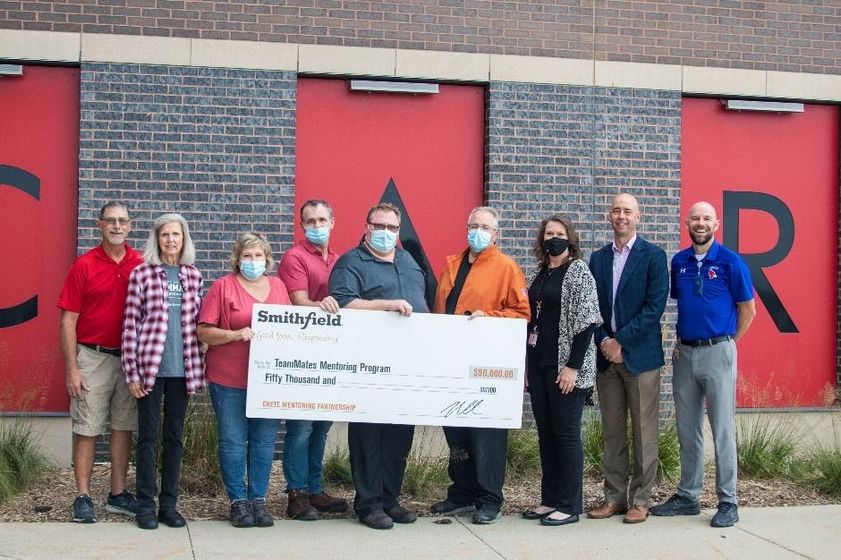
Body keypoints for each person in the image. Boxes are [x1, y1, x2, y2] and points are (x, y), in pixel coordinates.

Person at [651, 201, 755, 528]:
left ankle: (728, 501)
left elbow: (747, 309)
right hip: (685, 353)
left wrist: (728, 344)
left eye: (706, 218)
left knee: (722, 428)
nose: (700, 223)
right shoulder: (679, 261)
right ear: (686, 223)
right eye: (695, 218)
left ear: (717, 224)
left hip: (718, 351)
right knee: (687, 427)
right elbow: (685, 304)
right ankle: (687, 495)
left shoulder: (731, 262)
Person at [329, 202, 428, 530]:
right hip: (368, 365)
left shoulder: (408, 260)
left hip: (408, 364)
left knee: (400, 434)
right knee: (369, 435)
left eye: (392, 228)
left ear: (399, 231)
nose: (385, 233)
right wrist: (386, 305)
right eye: (379, 226)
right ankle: (368, 503)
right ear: (367, 226)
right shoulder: (351, 262)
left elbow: (422, 304)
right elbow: (343, 303)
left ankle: (390, 499)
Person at [430, 206, 530, 525]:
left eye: (484, 227)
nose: (477, 231)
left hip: (488, 366)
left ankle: (489, 498)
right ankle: (461, 492)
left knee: (486, 432)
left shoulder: (506, 268)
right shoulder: (453, 264)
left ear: (495, 234)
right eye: (472, 225)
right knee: (456, 429)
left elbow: (522, 313)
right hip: (452, 359)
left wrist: (491, 318)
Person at [58, 201, 144, 524]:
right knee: (87, 428)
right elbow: (68, 320)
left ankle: (118, 494)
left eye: (123, 221)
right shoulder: (84, 265)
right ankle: (82, 497)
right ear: (100, 225)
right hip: (92, 357)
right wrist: (72, 368)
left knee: (124, 426)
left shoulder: (141, 263)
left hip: (130, 359)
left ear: (130, 226)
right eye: (111, 221)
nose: (117, 226)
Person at [197, 232, 290, 528]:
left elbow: (291, 330)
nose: (253, 261)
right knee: (233, 442)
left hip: (268, 380)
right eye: (247, 256)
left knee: (264, 443)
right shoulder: (223, 287)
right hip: (229, 379)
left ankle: (258, 500)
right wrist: (234, 334)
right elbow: (204, 330)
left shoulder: (278, 286)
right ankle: (238, 501)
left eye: (258, 256)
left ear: (267, 259)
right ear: (237, 259)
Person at [587, 194, 669, 524]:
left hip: (641, 359)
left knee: (644, 432)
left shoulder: (653, 256)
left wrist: (621, 341)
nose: (621, 216)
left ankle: (642, 500)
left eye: (627, 211)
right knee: (612, 432)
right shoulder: (598, 258)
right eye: (616, 210)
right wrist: (605, 340)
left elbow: (654, 307)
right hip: (608, 359)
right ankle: (614, 497)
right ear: (610, 215)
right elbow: (591, 308)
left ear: (639, 217)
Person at [121, 213, 204, 530]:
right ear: (157, 239)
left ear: (184, 240)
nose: (171, 240)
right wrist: (132, 372)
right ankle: (145, 505)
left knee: (174, 439)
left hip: (183, 370)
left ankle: (168, 505)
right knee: (148, 438)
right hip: (149, 371)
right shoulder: (142, 274)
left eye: (176, 235)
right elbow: (130, 325)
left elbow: (198, 325)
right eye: (165, 234)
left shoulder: (193, 276)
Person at [521, 215, 602, 527]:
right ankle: (550, 499)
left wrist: (572, 367)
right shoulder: (542, 273)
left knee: (566, 435)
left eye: (559, 233)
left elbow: (587, 323)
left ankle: (569, 505)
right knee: (546, 435)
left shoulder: (578, 270)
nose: (553, 238)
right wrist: (528, 367)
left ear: (570, 238)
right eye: (548, 233)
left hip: (566, 369)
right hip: (540, 365)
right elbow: (534, 321)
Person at [277, 199, 348, 520]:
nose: (317, 225)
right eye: (310, 221)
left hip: (333, 354)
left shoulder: (340, 259)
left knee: (321, 426)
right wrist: (324, 304)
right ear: (302, 224)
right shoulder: (294, 257)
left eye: (322, 219)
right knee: (301, 427)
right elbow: (298, 301)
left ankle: (315, 490)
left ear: (333, 222)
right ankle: (296, 494)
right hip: (304, 354)